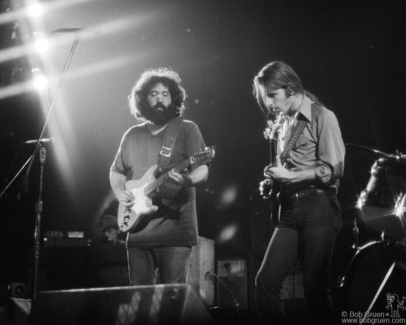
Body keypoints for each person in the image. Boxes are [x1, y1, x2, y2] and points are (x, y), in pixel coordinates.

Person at [253, 61, 345, 324]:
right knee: (265, 281)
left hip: (319, 205)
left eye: (272, 95)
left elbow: (334, 168)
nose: (268, 103)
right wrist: (273, 183)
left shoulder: (322, 116)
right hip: (289, 210)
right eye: (265, 96)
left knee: (314, 287)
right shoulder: (283, 125)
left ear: (290, 87)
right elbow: (287, 169)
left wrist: (291, 176)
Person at [109, 67, 209, 285]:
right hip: (137, 232)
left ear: (174, 98)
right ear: (143, 99)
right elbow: (116, 170)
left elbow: (202, 167)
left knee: (170, 301)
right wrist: (120, 193)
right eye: (153, 94)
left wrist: (187, 180)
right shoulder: (132, 135)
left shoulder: (187, 129)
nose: (160, 99)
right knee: (139, 302)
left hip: (175, 233)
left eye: (165, 94)